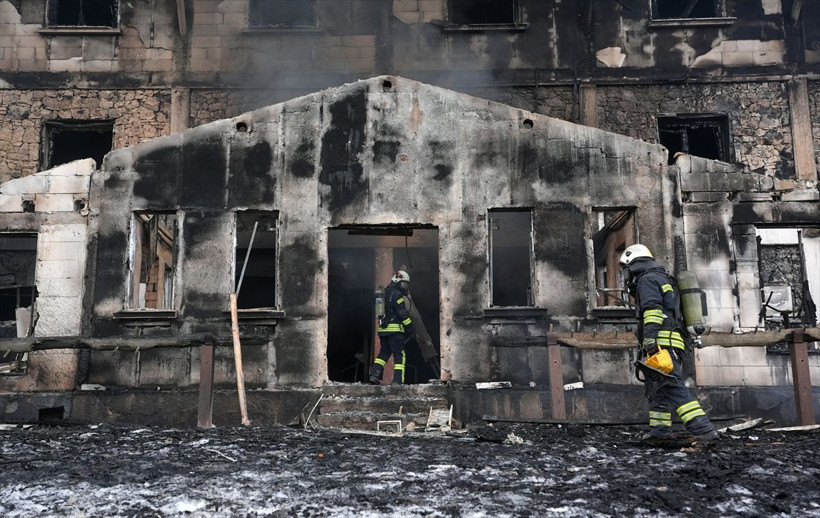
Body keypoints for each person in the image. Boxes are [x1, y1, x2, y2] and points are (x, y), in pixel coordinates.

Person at [619, 244, 719, 444]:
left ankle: (703, 430)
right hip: (674, 343)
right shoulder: (664, 278)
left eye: (626, 268)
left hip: (661, 344)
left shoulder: (647, 280)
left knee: (672, 387)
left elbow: (652, 309)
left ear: (634, 264)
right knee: (658, 388)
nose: (626, 274)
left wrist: (649, 337)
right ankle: (660, 432)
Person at [369, 270, 415, 385]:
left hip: (383, 330)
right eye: (404, 283)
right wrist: (410, 327)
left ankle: (374, 374)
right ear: (399, 282)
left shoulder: (385, 293)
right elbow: (401, 313)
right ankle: (398, 381)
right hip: (395, 331)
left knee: (383, 353)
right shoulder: (397, 294)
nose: (405, 286)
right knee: (399, 355)